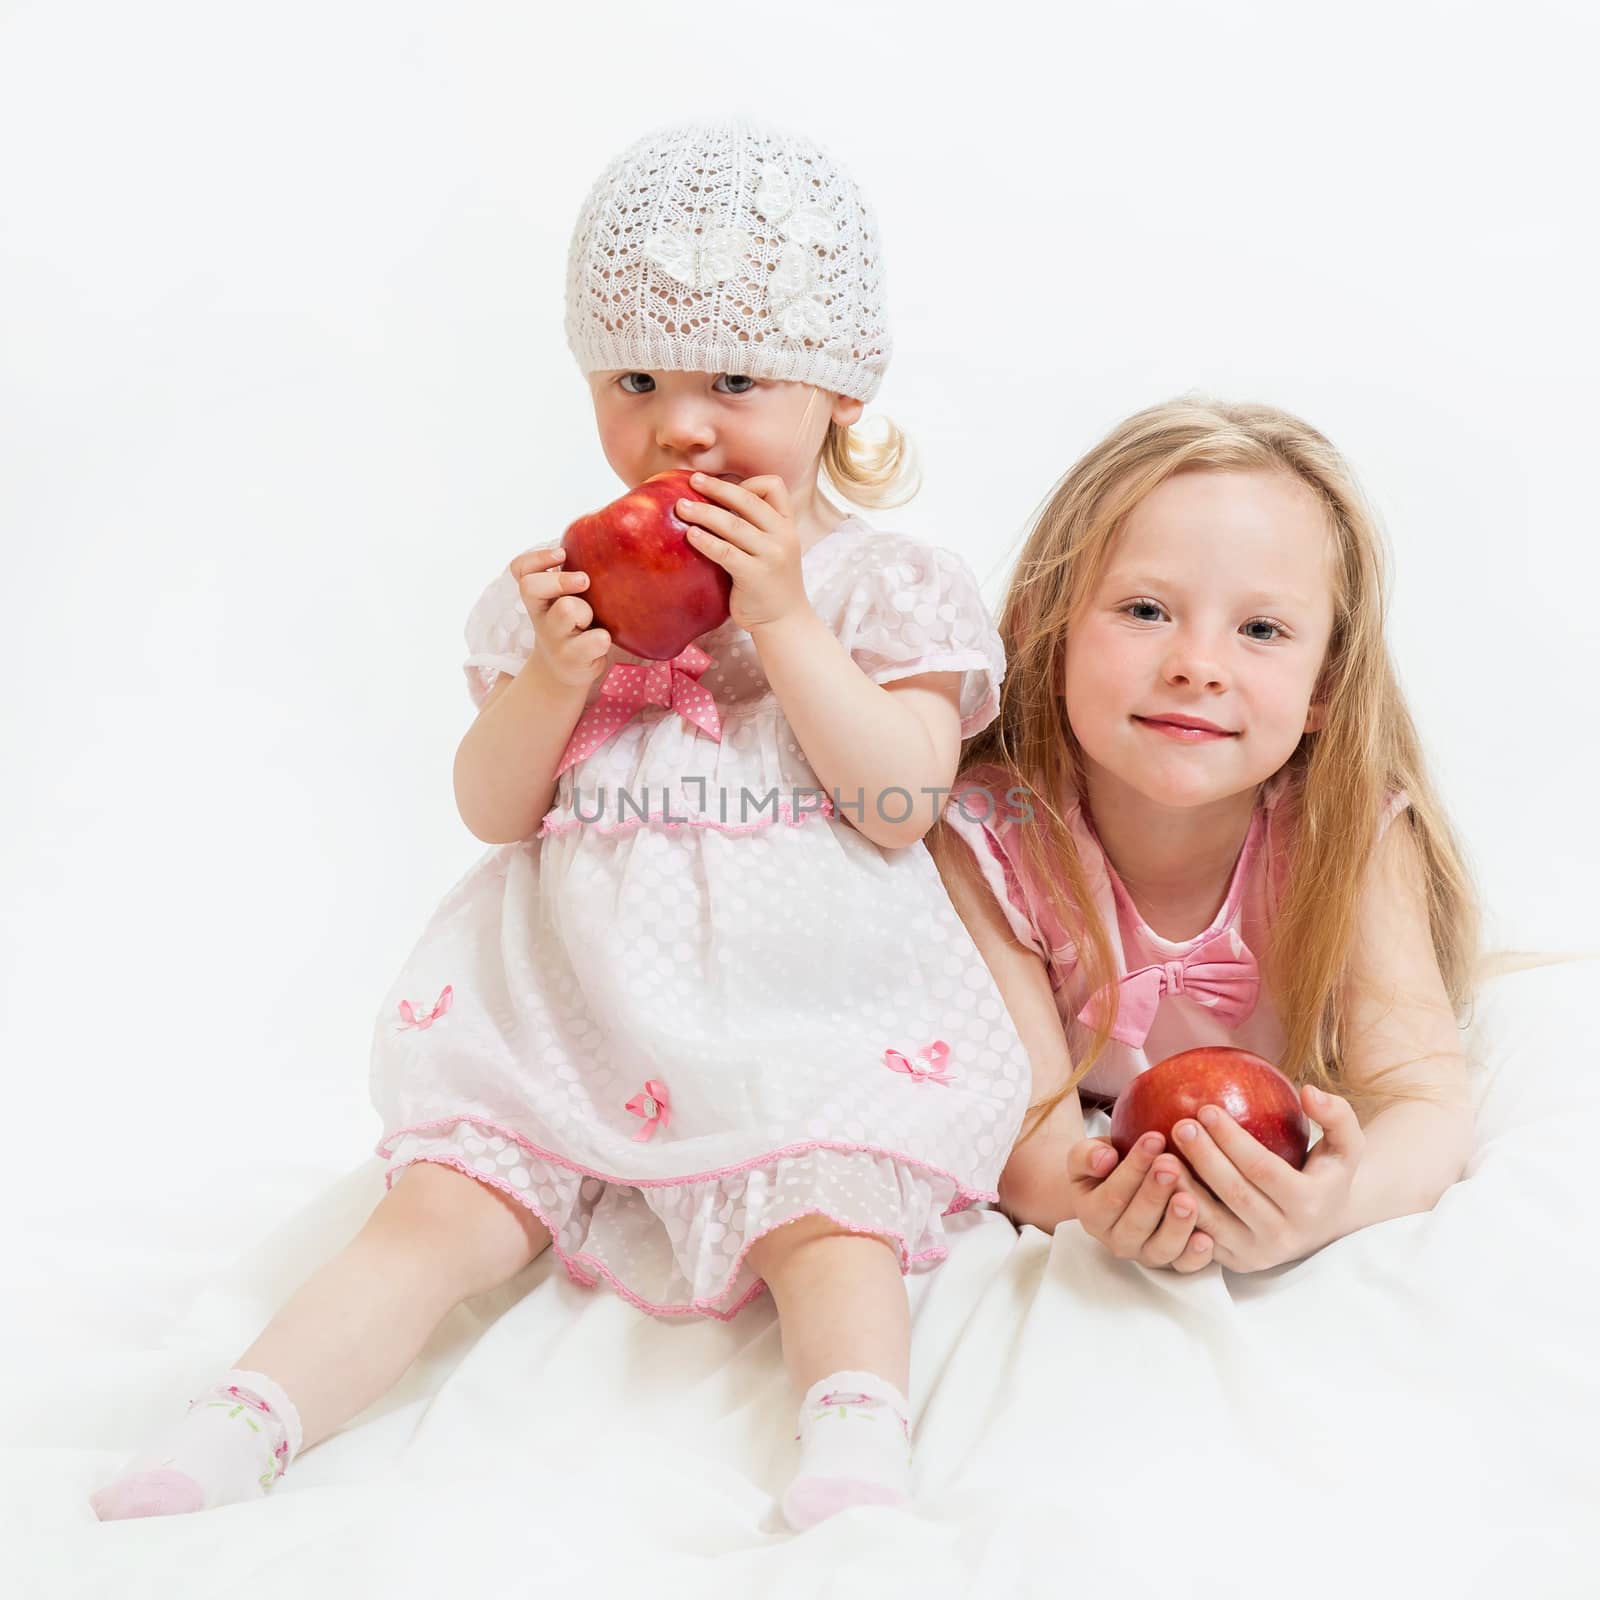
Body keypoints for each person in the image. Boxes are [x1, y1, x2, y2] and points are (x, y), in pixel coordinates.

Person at [89, 118, 1030, 1532]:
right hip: (569, 1009)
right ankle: (245, 1417)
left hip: (801, 1008)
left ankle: (853, 1436)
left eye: (735, 378)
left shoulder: (879, 585)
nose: (680, 423)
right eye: (635, 377)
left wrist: (779, 618)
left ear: (841, 393)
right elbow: (489, 807)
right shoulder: (564, 594)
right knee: (437, 1213)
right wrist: (553, 679)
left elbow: (899, 805)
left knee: (830, 1217)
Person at [929, 398, 1480, 1275]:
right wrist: (1103, 1211)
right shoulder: (989, 840)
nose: (1198, 664)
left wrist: (1327, 1209)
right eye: (1146, 610)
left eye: (1261, 629)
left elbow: (1425, 1102)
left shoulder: (1352, 835)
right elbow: (1033, 1147)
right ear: (1045, 625)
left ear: (1324, 687)